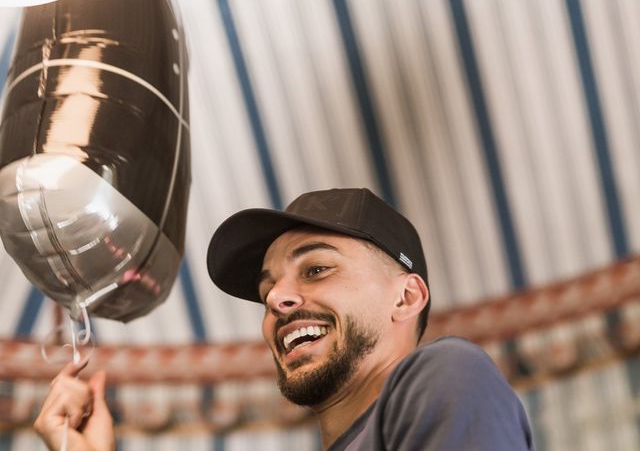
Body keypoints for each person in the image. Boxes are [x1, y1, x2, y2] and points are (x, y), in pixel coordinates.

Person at [34, 187, 534, 450]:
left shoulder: (446, 375)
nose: (277, 300)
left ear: (405, 298)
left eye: (316, 269)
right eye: (267, 288)